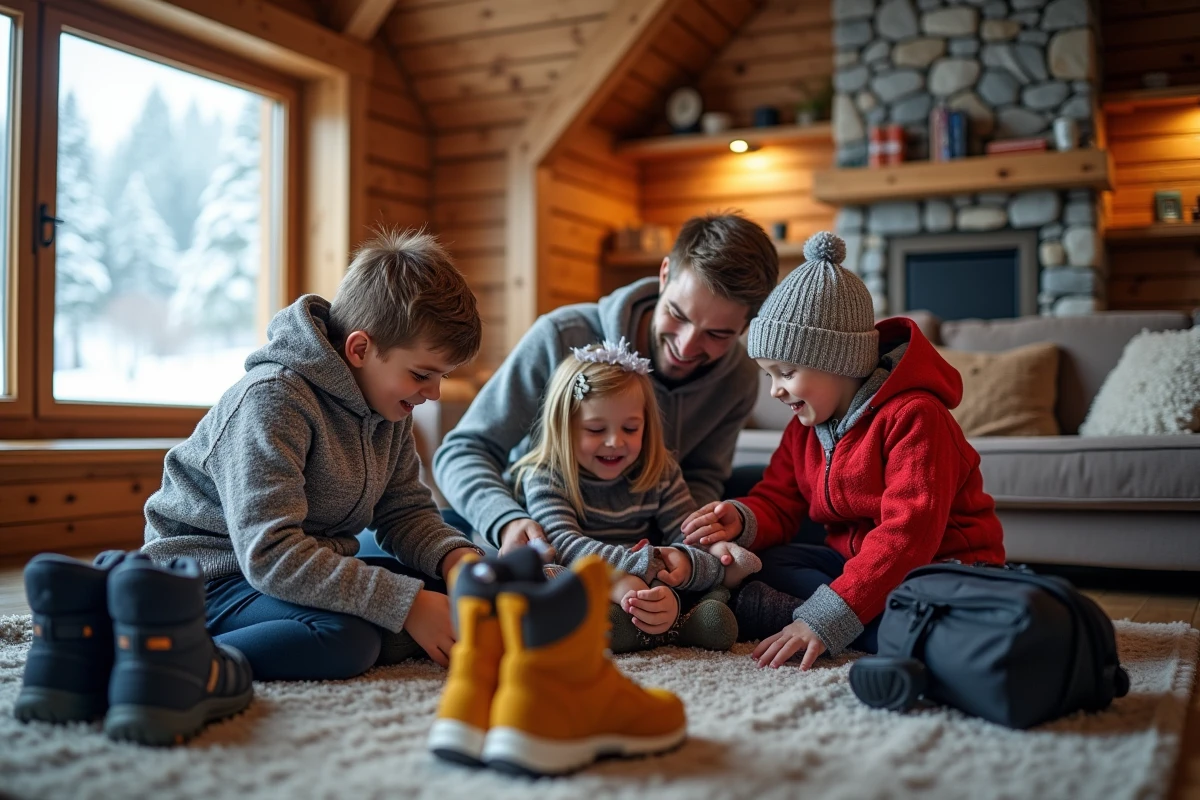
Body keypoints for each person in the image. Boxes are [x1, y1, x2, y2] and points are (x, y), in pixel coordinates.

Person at [142, 229, 485, 681]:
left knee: (453, 563)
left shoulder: (390, 409)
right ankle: (156, 654)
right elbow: (270, 554)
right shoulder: (273, 400)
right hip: (209, 581)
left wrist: (458, 563)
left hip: (297, 563)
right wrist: (407, 605)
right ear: (360, 348)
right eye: (423, 374)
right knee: (348, 637)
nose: (435, 394)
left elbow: (404, 512)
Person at [681, 231, 1006, 671]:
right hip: (856, 562)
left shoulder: (916, 416)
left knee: (892, 594)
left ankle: (858, 623)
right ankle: (858, 617)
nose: (776, 391)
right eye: (768, 375)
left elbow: (907, 538)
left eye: (787, 372)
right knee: (769, 562)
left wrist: (828, 617)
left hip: (943, 567)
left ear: (841, 361)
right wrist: (741, 519)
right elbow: (779, 499)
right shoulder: (806, 426)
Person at [433, 212, 780, 556]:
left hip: (643, 546)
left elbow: (702, 478)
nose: (686, 347)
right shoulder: (560, 335)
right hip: (541, 539)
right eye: (678, 314)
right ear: (663, 276)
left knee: (751, 485)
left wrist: (684, 546)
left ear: (746, 327)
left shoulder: (739, 378)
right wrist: (506, 520)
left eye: (717, 334)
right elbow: (462, 451)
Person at [512, 339, 762, 652]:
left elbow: (687, 535)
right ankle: (658, 625)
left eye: (630, 429)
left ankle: (672, 620)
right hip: (590, 578)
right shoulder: (546, 476)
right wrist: (629, 573)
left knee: (708, 567)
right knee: (545, 575)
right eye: (595, 430)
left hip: (645, 582)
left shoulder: (660, 472)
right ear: (565, 426)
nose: (615, 442)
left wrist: (679, 567)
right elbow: (564, 545)